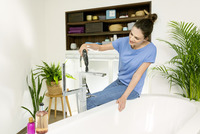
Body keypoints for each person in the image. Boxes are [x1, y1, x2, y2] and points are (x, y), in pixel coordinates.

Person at [79, 14, 157, 112]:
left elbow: (137, 75)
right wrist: (85, 45)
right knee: (93, 100)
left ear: (145, 39)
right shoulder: (123, 42)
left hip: (132, 89)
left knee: (90, 101)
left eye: (136, 38)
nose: (131, 39)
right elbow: (100, 48)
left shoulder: (150, 50)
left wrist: (124, 97)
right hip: (119, 82)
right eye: (131, 34)